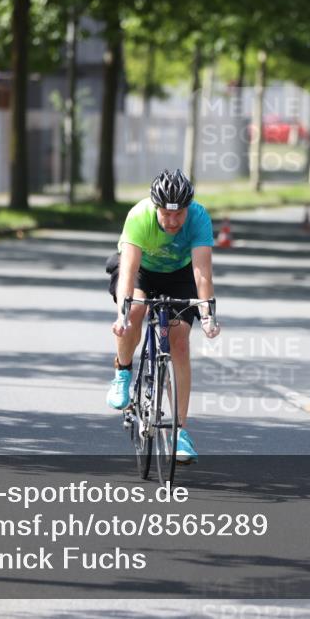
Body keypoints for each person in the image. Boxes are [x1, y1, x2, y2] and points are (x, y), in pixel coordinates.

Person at [106, 169, 220, 464]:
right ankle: (123, 372)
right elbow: (128, 271)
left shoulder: (198, 218)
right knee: (135, 309)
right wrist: (122, 315)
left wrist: (207, 314)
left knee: (180, 342)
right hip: (142, 271)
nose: (172, 222)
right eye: (166, 215)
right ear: (155, 206)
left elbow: (202, 272)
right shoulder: (139, 216)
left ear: (187, 209)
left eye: (178, 214)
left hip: (180, 274)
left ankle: (181, 431)